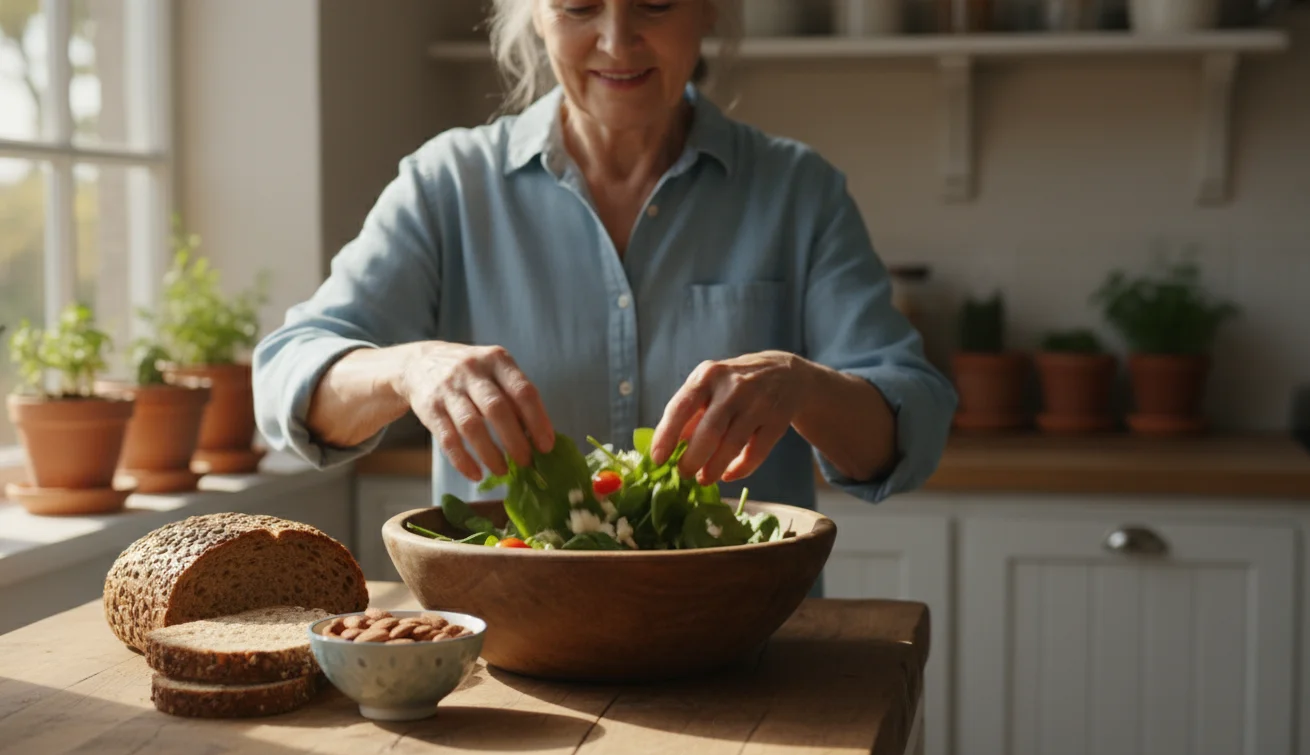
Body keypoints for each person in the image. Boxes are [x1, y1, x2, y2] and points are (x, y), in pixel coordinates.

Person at [252, 0, 957, 538]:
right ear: (534, 13)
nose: (618, 41)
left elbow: (911, 425)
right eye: (579, 5)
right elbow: (287, 379)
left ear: (709, 8)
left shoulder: (798, 191)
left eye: (655, 2)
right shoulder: (449, 185)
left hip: (747, 651)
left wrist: (803, 387)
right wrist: (407, 368)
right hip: (512, 660)